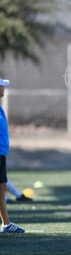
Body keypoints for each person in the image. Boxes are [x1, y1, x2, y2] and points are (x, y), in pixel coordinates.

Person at [0, 77, 25, 233]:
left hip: (1, 153)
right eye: (2, 86)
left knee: (2, 188)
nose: (3, 89)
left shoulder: (0, 108)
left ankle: (6, 224)